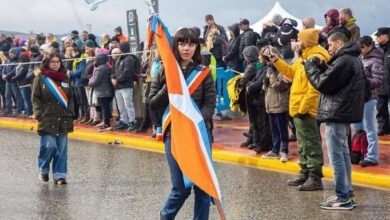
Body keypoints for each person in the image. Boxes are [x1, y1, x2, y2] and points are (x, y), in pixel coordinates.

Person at [149, 28, 216, 220]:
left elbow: (209, 104)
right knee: (181, 187)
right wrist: (168, 85)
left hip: (200, 134)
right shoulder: (164, 70)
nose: (186, 48)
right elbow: (152, 103)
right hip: (174, 135)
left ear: (196, 47)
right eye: (182, 43)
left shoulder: (203, 72)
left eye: (191, 44)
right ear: (175, 45)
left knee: (203, 188)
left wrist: (195, 123)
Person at [305, 30, 365, 210]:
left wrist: (310, 67)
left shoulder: (345, 60)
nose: (328, 48)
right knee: (343, 155)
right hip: (342, 112)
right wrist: (323, 67)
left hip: (337, 112)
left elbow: (324, 84)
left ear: (339, 43)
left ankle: (343, 196)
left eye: (330, 44)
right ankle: (347, 193)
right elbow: (334, 78)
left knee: (337, 156)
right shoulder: (350, 58)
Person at [270, 28, 330, 191]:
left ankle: (315, 177)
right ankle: (305, 172)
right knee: (303, 143)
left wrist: (303, 108)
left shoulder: (317, 57)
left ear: (306, 41)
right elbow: (291, 72)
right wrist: (277, 61)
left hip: (306, 109)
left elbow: (315, 87)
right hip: (298, 108)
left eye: (298, 38)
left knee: (311, 143)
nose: (295, 41)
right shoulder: (304, 56)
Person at [32, 52, 74, 185]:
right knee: (49, 147)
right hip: (47, 117)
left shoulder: (65, 78)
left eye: (57, 61)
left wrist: (71, 113)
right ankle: (43, 169)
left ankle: (59, 175)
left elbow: (71, 98)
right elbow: (35, 98)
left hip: (63, 117)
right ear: (47, 63)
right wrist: (38, 113)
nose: (56, 64)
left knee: (61, 150)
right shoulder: (41, 78)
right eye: (53, 62)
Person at [352, 36, 384, 167]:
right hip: (358, 98)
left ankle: (372, 156)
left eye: (363, 47)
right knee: (358, 128)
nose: (361, 49)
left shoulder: (376, 61)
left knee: (369, 127)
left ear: (370, 46)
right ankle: (360, 151)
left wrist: (363, 82)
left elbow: (378, 80)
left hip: (369, 98)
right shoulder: (361, 58)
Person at [261, 46, 291, 162]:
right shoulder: (269, 69)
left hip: (280, 103)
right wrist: (265, 83)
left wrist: (272, 77)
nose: (267, 61)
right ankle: (275, 150)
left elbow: (281, 86)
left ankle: (284, 151)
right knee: (274, 130)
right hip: (271, 103)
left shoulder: (282, 67)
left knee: (282, 129)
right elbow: (266, 87)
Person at [89, 53, 114, 131]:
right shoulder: (107, 67)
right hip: (108, 90)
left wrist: (90, 82)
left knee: (104, 108)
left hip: (102, 91)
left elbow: (96, 81)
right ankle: (105, 121)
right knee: (105, 108)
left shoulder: (100, 68)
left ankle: (107, 124)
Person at [375, 27, 390, 136]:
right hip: (380, 84)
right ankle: (383, 128)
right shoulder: (376, 50)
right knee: (380, 108)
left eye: (380, 35)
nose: (378, 37)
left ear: (387, 35)